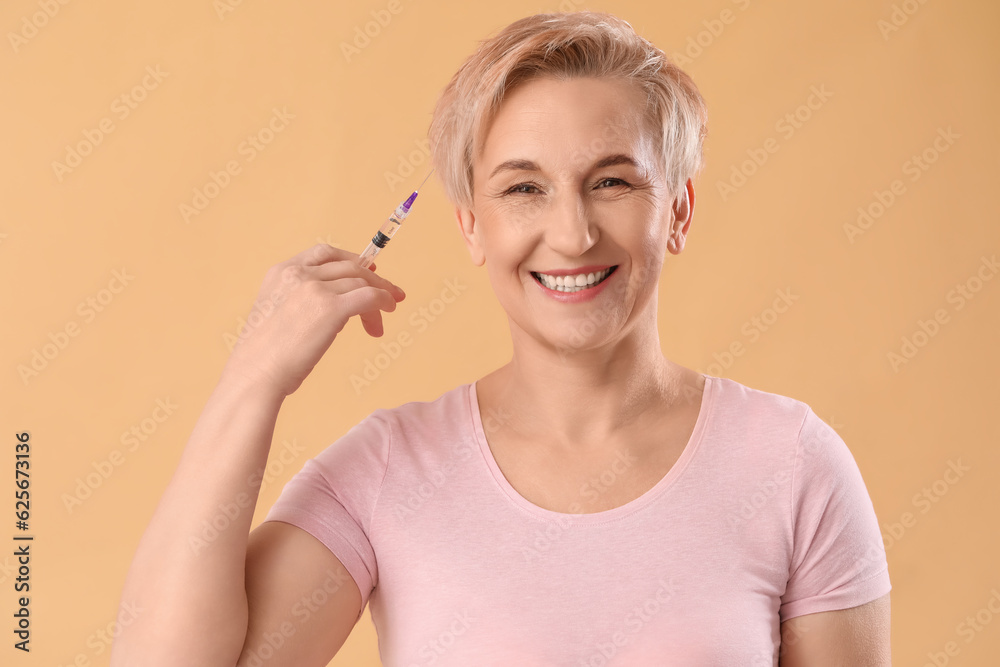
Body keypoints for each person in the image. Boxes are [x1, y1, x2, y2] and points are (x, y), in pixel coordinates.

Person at [111, 10, 891, 666]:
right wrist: (252, 382)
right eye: (525, 188)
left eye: (612, 180)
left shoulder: (792, 463)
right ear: (471, 226)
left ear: (679, 210)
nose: (573, 232)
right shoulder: (388, 470)